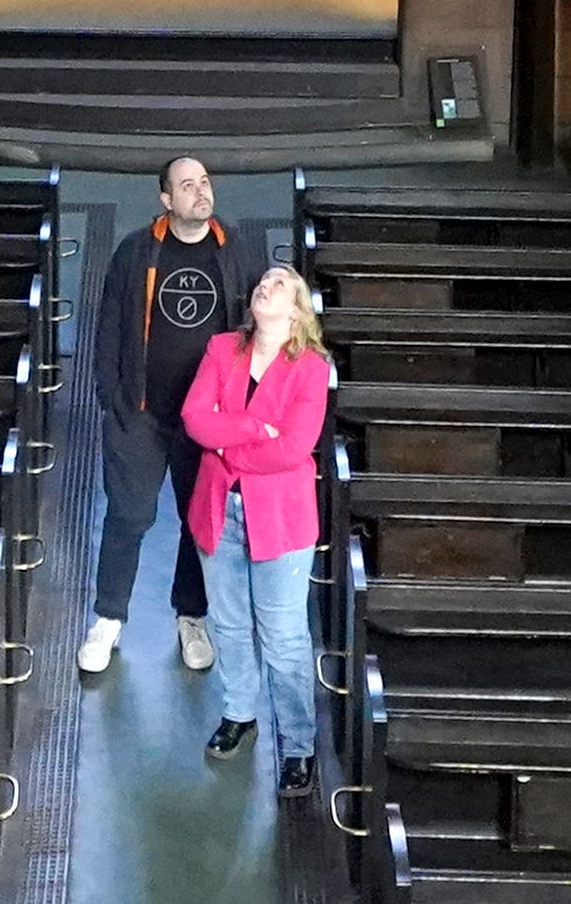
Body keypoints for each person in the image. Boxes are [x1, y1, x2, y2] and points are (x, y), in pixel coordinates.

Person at [79, 154, 268, 676]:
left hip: (207, 419)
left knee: (198, 521)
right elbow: (110, 327)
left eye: (204, 182)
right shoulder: (136, 251)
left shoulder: (237, 250)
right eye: (187, 185)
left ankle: (191, 616)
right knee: (129, 516)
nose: (200, 192)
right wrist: (111, 397)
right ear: (166, 200)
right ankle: (108, 620)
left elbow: (259, 323)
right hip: (141, 413)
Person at [181, 262, 332, 796]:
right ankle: (239, 712)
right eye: (264, 281)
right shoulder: (222, 349)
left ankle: (298, 745)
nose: (265, 287)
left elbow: (294, 448)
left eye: (279, 285)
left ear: (296, 311)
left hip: (281, 520)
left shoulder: (311, 368)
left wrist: (226, 448)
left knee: (284, 636)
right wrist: (246, 431)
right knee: (228, 623)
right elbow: (195, 417)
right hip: (220, 510)